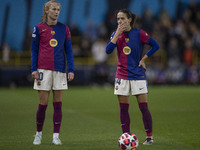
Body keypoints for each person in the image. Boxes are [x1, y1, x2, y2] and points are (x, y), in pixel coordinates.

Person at [106, 9, 160, 145]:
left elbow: (155, 45)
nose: (120, 21)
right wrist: (117, 34)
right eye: (118, 19)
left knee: (143, 107)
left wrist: (144, 59)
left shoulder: (139, 33)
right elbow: (108, 51)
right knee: (123, 108)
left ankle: (149, 137)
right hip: (121, 75)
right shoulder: (115, 34)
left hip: (138, 75)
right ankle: (126, 137)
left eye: (122, 18)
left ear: (129, 19)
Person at [31, 0, 74, 145]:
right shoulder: (38, 28)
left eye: (58, 10)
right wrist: (33, 69)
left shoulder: (64, 28)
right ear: (46, 10)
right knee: (42, 104)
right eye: (54, 9)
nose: (56, 12)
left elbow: (68, 50)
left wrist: (71, 69)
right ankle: (38, 134)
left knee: (58, 104)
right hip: (43, 70)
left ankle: (56, 136)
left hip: (60, 70)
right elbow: (34, 50)